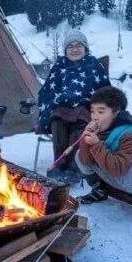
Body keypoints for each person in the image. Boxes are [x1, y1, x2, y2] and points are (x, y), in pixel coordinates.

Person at [36, 30, 110, 184]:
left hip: (85, 107)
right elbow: (48, 90)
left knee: (80, 122)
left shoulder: (93, 64)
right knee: (57, 120)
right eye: (70, 46)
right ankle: (59, 163)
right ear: (65, 50)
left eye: (78, 45)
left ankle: (74, 167)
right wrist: (53, 102)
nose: (74, 49)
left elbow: (105, 91)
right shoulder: (59, 66)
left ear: (85, 48)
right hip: (61, 107)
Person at [75, 86, 132, 220]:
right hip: (113, 166)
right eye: (92, 112)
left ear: (116, 112)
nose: (95, 118)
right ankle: (99, 191)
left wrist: (96, 144)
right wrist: (86, 140)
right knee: (79, 155)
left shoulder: (128, 134)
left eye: (101, 112)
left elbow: (118, 169)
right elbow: (86, 161)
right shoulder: (102, 129)